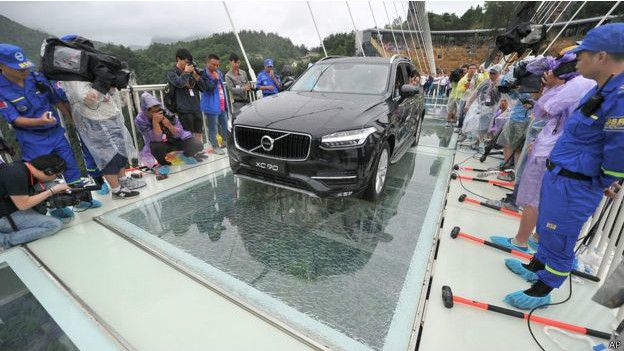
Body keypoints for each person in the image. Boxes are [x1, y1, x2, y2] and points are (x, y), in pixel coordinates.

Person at [503, 23, 624, 310]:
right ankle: (537, 268)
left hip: (577, 182)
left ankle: (544, 289)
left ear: (602, 57)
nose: (576, 61)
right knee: (548, 225)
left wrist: (607, 180)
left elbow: (619, 147)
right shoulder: (600, 90)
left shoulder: (619, 98)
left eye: (582, 55)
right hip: (561, 175)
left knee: (559, 234)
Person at [491, 50, 595, 252]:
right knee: (547, 198)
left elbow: (543, 110)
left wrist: (552, 87)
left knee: (534, 196)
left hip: (552, 149)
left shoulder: (577, 84)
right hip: (563, 149)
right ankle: (536, 239)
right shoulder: (592, 84)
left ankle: (520, 241)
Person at [0, 43, 90, 219]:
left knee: (69, 164)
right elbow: (15, 119)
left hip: (55, 132)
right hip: (31, 138)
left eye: (25, 67)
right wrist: (39, 121)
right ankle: (56, 206)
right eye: (18, 69)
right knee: (43, 173)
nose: (24, 71)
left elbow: (56, 100)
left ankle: (83, 198)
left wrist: (73, 120)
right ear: (1, 66)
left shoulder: (36, 77)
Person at [0, 154, 70, 249]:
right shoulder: (16, 174)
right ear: (48, 171)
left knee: (42, 201)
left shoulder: (22, 166)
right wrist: (51, 191)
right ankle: (5, 240)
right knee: (54, 225)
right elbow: (23, 205)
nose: (56, 178)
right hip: (4, 216)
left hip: (8, 204)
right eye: (57, 175)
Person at [135, 92, 204, 174]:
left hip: (174, 139)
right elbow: (156, 139)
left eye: (158, 110)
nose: (157, 113)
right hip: (161, 144)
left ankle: (186, 155)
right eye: (153, 112)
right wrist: (155, 123)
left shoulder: (166, 113)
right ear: (146, 111)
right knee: (155, 146)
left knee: (197, 144)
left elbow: (180, 133)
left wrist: (169, 125)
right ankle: (164, 163)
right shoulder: (140, 120)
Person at [166, 48, 209, 141]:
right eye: (185, 62)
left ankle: (198, 151)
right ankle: (191, 154)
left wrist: (196, 76)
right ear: (178, 59)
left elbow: (203, 88)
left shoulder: (191, 72)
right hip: (184, 108)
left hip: (196, 106)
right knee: (187, 133)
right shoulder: (172, 72)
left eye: (188, 62)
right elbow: (179, 83)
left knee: (198, 130)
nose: (187, 64)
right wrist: (186, 72)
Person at [461, 65, 502, 149]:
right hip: (483, 107)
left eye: (494, 73)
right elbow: (475, 93)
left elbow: (505, 98)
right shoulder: (485, 82)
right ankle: (478, 141)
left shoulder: (501, 84)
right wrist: (468, 104)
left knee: (490, 127)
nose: (491, 75)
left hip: (494, 108)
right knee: (479, 125)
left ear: (499, 73)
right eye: (490, 73)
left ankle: (483, 142)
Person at [200, 54, 229, 155]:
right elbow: (209, 88)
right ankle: (215, 146)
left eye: (218, 65)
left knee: (225, 123)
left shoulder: (218, 72)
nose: (216, 67)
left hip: (221, 103)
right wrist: (216, 79)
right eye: (214, 64)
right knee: (213, 127)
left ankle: (225, 142)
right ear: (207, 63)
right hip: (211, 105)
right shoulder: (203, 74)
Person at [456, 63, 484, 132]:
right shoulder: (463, 79)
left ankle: (465, 129)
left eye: (474, 68)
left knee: (470, 115)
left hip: (473, 100)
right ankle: (460, 127)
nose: (472, 70)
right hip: (464, 98)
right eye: (470, 68)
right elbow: (459, 89)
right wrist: (465, 87)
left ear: (476, 69)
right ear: (468, 70)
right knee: (461, 113)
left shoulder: (479, 77)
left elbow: (482, 84)